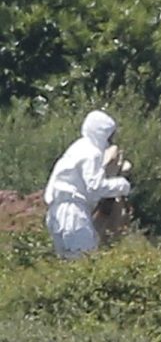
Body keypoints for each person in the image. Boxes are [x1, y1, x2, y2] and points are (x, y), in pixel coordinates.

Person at [44, 110, 132, 259]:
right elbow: (95, 187)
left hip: (57, 212)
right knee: (85, 261)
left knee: (67, 264)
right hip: (73, 213)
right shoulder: (92, 153)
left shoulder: (77, 147)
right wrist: (122, 185)